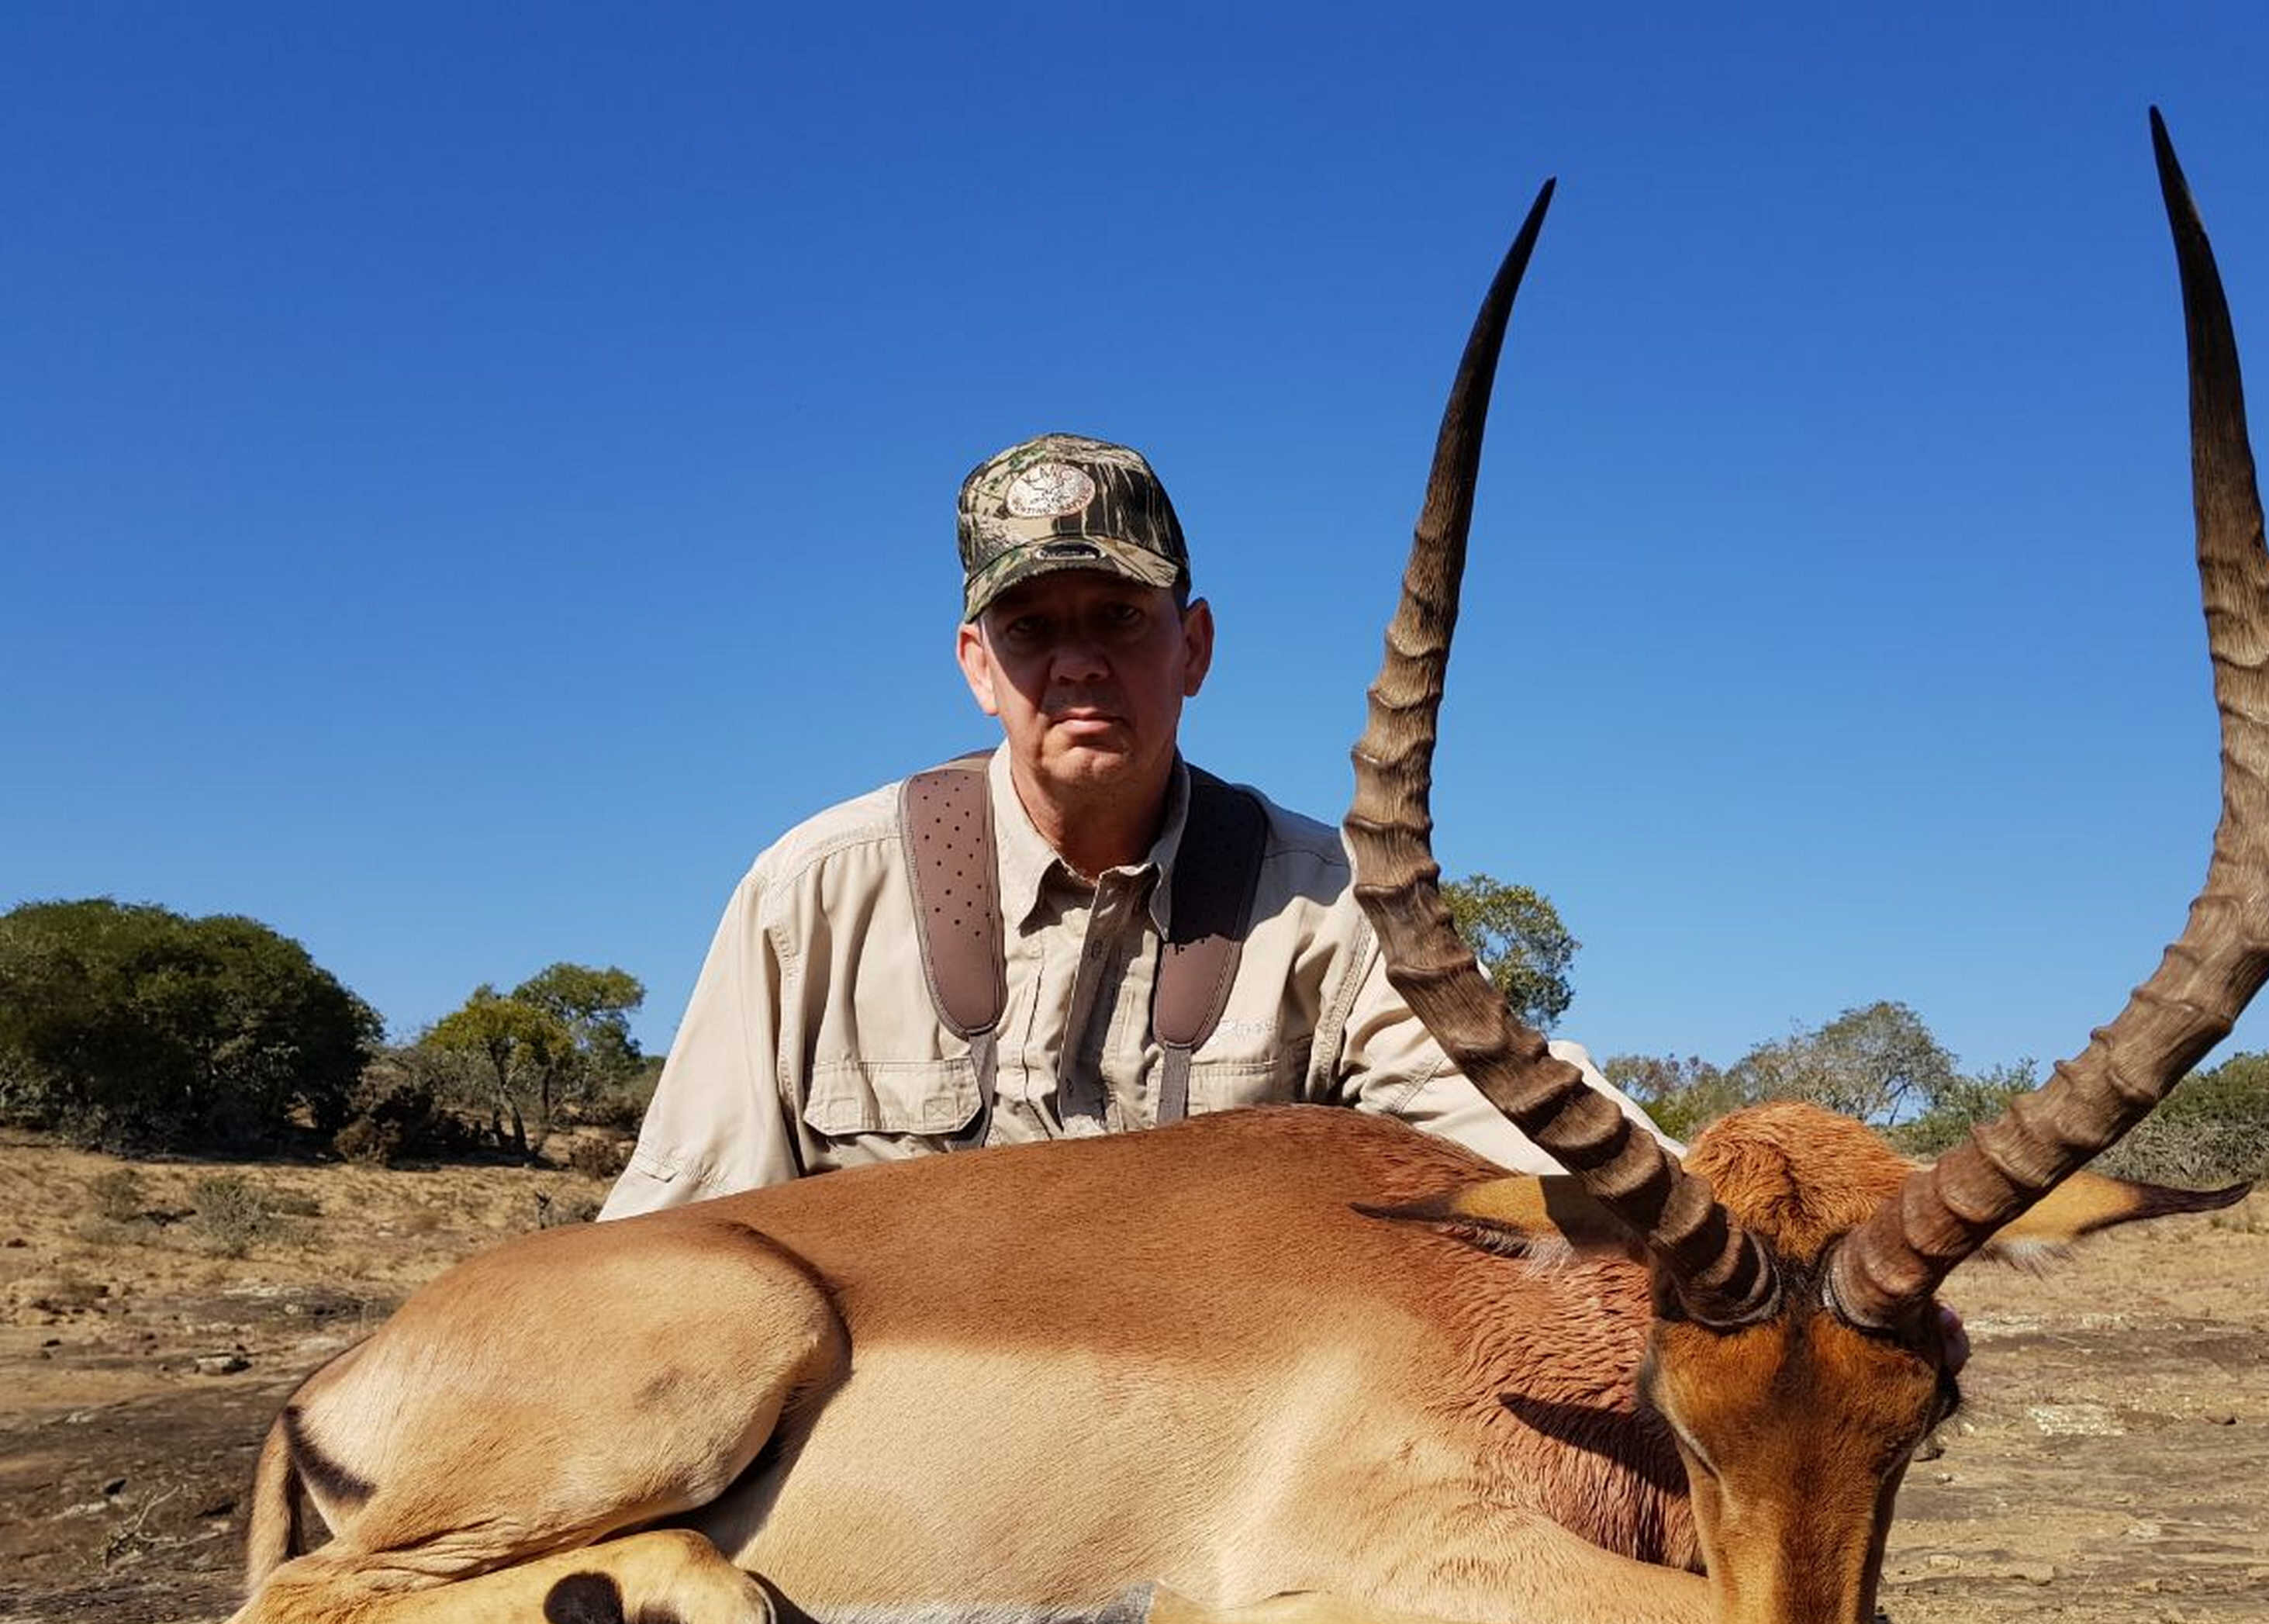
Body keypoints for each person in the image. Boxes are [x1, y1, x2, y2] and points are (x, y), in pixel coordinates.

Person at [601, 433, 1662, 1219]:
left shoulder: (1326, 907)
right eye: (1030, 629)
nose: (1077, 665)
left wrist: (1751, 1223)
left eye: (1119, 617)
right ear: (978, 666)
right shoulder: (814, 896)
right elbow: (676, 1234)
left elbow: (1525, 1126)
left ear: (1193, 646)